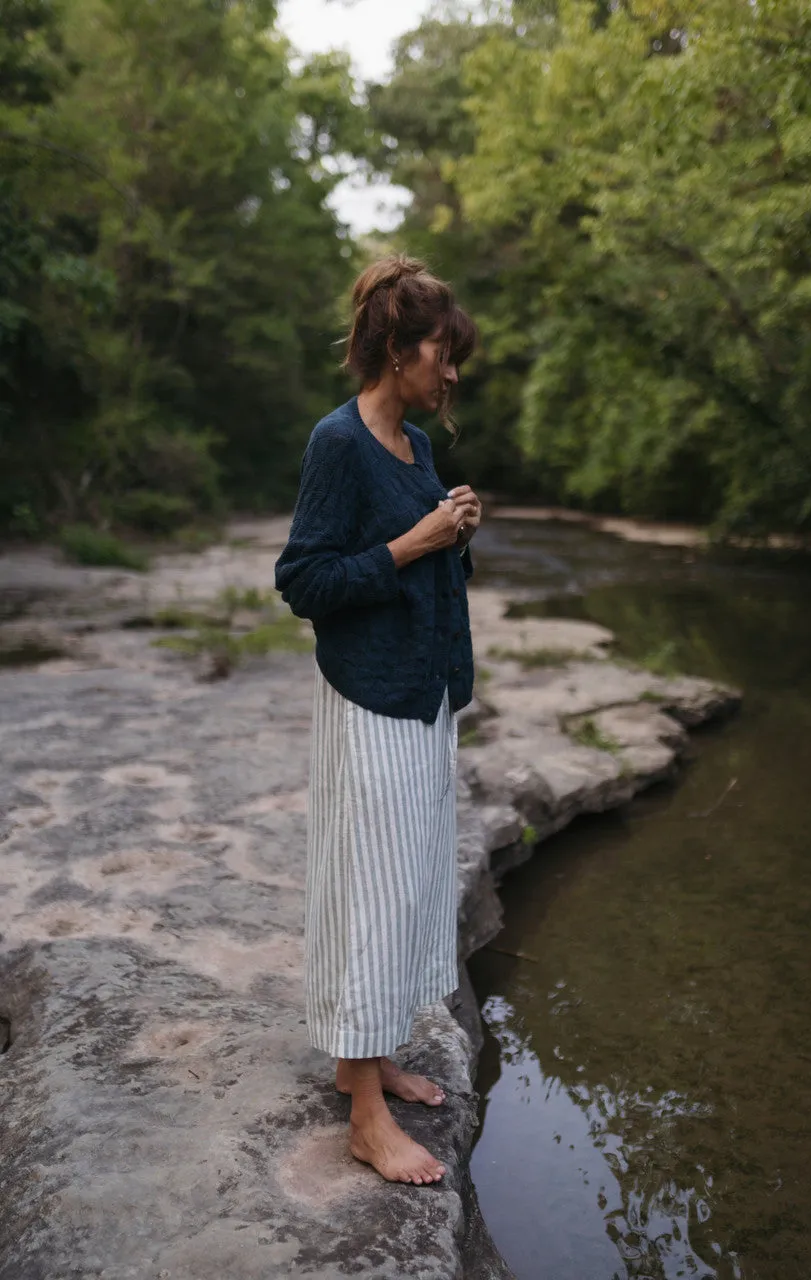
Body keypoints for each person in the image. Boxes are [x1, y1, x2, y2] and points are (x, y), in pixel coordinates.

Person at [275, 254, 481, 1186]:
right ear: (397, 351)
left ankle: (376, 1055)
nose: (451, 372)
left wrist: (451, 529)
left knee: (406, 886)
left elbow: (421, 562)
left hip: (424, 694)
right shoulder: (338, 443)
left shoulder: (417, 449)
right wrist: (412, 543)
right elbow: (304, 580)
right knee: (368, 892)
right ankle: (362, 1115)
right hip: (369, 699)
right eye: (442, 354)